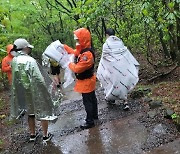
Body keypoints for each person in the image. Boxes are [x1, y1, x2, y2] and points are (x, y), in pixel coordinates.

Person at [10, 38, 54, 142]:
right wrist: (45, 89)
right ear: (25, 48)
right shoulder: (30, 60)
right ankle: (45, 135)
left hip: (22, 93)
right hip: (35, 90)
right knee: (43, 111)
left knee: (30, 112)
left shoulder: (14, 61)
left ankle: (32, 134)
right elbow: (38, 78)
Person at [97, 28, 140, 110]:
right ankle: (125, 102)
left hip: (111, 69)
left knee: (110, 82)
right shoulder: (120, 42)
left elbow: (104, 58)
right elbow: (124, 53)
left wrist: (102, 68)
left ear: (106, 35)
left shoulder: (106, 45)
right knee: (122, 83)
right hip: (121, 67)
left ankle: (110, 98)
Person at [64, 28, 98, 129]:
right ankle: (94, 115)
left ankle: (90, 121)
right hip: (88, 80)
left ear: (83, 39)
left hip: (86, 81)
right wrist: (65, 47)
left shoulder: (87, 55)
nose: (77, 42)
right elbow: (75, 52)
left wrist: (68, 64)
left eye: (78, 40)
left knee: (88, 101)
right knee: (92, 98)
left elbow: (78, 68)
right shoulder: (84, 50)